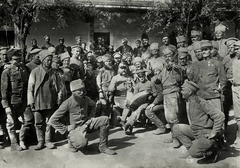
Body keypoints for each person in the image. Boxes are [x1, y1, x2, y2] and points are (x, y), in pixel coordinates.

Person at [49, 79, 116, 155]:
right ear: (73, 92)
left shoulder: (86, 98)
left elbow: (94, 105)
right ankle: (72, 142)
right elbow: (52, 120)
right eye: (79, 91)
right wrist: (66, 128)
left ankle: (103, 147)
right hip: (75, 128)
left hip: (87, 123)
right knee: (82, 143)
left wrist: (91, 117)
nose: (82, 93)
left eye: (83, 90)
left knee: (105, 119)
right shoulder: (67, 103)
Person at [173, 80, 225, 164]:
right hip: (195, 131)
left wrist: (214, 132)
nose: (181, 91)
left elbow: (220, 116)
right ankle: (194, 149)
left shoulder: (201, 102)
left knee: (194, 154)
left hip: (205, 133)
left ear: (189, 92)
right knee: (176, 128)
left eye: (183, 90)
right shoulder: (189, 101)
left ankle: (213, 151)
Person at [28, 50, 62, 150]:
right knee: (38, 123)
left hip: (50, 101)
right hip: (38, 101)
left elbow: (59, 87)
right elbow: (30, 87)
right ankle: (40, 141)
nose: (49, 62)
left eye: (50, 60)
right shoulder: (35, 72)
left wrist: (58, 99)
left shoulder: (54, 73)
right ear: (42, 60)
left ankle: (48, 141)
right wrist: (31, 101)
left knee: (49, 122)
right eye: (47, 60)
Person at [151, 47, 182, 147]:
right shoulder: (165, 67)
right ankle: (174, 136)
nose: (167, 57)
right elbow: (160, 78)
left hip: (173, 92)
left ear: (173, 55)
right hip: (166, 93)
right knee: (169, 117)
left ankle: (176, 139)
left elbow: (179, 79)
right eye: (165, 56)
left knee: (173, 117)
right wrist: (156, 79)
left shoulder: (176, 67)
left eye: (169, 55)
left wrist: (174, 68)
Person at [1, 49, 31, 151]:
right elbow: (4, 90)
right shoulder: (7, 72)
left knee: (27, 121)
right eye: (15, 60)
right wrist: (6, 106)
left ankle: (21, 140)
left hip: (23, 102)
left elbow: (28, 86)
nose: (17, 62)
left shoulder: (25, 69)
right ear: (10, 60)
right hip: (11, 102)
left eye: (19, 59)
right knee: (11, 123)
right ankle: (14, 143)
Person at [123, 68, 158, 134]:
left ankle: (129, 125)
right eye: (139, 76)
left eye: (142, 76)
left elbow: (155, 93)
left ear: (145, 75)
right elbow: (135, 96)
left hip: (148, 102)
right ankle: (129, 126)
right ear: (138, 77)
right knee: (135, 110)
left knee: (139, 109)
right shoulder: (137, 85)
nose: (141, 78)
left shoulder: (150, 83)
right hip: (139, 102)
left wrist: (151, 95)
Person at [195, 40, 227, 109]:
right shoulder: (198, 65)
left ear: (211, 50)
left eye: (206, 50)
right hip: (202, 96)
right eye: (202, 50)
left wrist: (219, 89)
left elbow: (223, 80)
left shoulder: (217, 63)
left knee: (218, 118)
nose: (203, 52)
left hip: (214, 96)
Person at [108, 62, 134, 127]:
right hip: (118, 97)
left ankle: (123, 120)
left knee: (129, 102)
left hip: (127, 97)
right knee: (127, 105)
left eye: (125, 68)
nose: (123, 70)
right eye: (121, 68)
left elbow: (134, 87)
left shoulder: (129, 78)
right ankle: (122, 120)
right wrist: (116, 84)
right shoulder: (115, 78)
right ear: (118, 69)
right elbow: (110, 89)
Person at [222, 38, 238, 135]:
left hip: (238, 86)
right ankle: (225, 133)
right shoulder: (226, 59)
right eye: (229, 47)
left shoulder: (238, 58)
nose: (230, 48)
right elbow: (222, 73)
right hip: (228, 86)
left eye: (232, 46)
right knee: (225, 108)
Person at [231, 40, 240, 147]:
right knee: (238, 115)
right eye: (235, 49)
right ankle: (239, 136)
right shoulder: (234, 61)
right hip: (235, 89)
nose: (236, 51)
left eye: (238, 49)